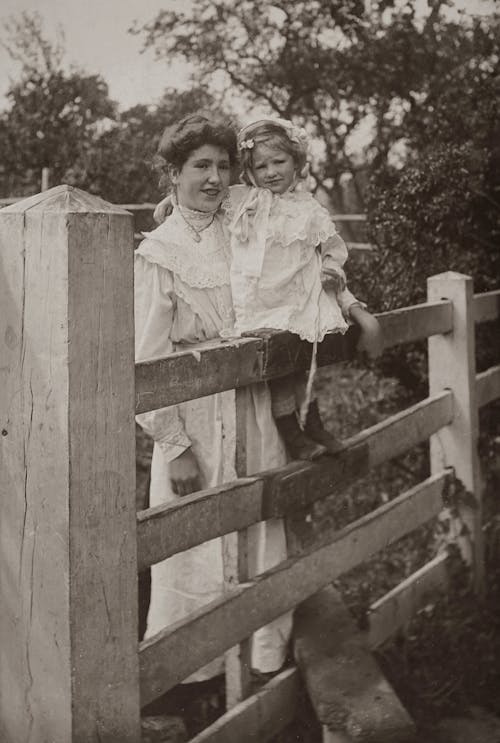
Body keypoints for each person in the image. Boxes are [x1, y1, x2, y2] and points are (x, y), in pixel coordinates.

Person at [134, 113, 292, 681]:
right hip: (193, 417)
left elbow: (290, 206)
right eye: (200, 165)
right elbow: (147, 360)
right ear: (173, 173)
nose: (215, 177)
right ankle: (194, 675)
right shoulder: (159, 252)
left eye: (224, 165)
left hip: (251, 404)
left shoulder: (243, 223)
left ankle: (259, 664)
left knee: (257, 518)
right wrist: (173, 446)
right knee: (195, 545)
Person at [155, 117, 383, 461]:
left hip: (296, 297)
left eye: (279, 162)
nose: (271, 172)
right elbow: (200, 194)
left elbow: (330, 251)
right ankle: (293, 432)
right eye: (261, 166)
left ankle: (314, 422)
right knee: (280, 367)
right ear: (249, 171)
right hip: (261, 303)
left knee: (302, 362)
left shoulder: (309, 208)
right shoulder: (246, 198)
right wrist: (169, 202)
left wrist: (338, 281)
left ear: (297, 164)